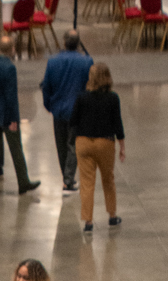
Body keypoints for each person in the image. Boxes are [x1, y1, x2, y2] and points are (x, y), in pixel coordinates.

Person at [0, 35, 39, 202]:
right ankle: (23, 182)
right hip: (6, 116)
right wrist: (14, 119)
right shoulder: (10, 68)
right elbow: (11, 97)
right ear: (12, 49)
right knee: (16, 149)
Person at [69, 60, 124, 233]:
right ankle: (112, 216)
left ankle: (88, 222)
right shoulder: (113, 98)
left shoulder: (81, 97)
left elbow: (73, 121)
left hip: (84, 142)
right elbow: (118, 124)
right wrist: (122, 146)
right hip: (105, 143)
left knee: (86, 183)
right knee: (108, 179)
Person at [38, 29, 91, 191]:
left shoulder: (52, 62)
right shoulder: (87, 62)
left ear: (64, 42)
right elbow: (90, 86)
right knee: (73, 145)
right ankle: (68, 179)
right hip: (77, 109)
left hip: (58, 110)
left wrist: (48, 105)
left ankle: (66, 177)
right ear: (78, 43)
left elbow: (46, 86)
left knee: (61, 145)